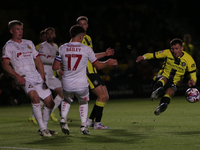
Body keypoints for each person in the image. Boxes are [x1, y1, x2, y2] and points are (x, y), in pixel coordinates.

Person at [52, 25, 118, 135]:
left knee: (67, 99)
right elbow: (98, 66)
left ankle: (63, 118)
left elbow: (55, 67)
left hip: (67, 82)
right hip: (81, 83)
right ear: (82, 36)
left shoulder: (62, 48)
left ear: (70, 35)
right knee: (83, 102)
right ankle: (83, 127)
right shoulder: (86, 49)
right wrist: (108, 62)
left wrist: (63, 67)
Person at [2, 20, 57, 137]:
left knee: (50, 103)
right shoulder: (9, 46)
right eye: (17, 29)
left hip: (36, 76)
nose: (20, 31)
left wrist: (42, 76)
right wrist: (17, 76)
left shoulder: (29, 43)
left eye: (21, 29)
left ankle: (45, 127)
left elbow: (38, 60)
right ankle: (42, 129)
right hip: (24, 77)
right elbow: (5, 65)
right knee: (35, 98)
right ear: (11, 31)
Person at [136, 38, 197, 115]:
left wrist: (193, 80)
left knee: (170, 92)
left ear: (182, 48)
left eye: (176, 49)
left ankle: (162, 106)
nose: (174, 51)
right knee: (164, 79)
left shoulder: (189, 59)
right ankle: (156, 91)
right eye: (172, 48)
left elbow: (193, 73)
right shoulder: (167, 52)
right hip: (161, 77)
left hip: (173, 82)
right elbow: (153, 55)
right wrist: (144, 57)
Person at [76, 16, 115, 129]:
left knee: (105, 96)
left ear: (87, 26)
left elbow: (91, 55)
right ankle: (97, 124)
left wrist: (105, 54)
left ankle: (90, 121)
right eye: (80, 24)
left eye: (84, 24)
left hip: (93, 70)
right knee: (102, 96)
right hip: (86, 72)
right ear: (77, 26)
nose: (83, 26)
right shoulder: (77, 40)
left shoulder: (87, 38)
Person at [29, 27, 63, 124]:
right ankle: (33, 117)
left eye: (51, 33)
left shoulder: (56, 47)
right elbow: (42, 60)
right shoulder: (43, 46)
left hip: (51, 75)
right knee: (44, 97)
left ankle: (49, 112)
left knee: (62, 92)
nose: (49, 35)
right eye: (48, 34)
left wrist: (60, 69)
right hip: (43, 73)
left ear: (54, 35)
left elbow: (57, 61)